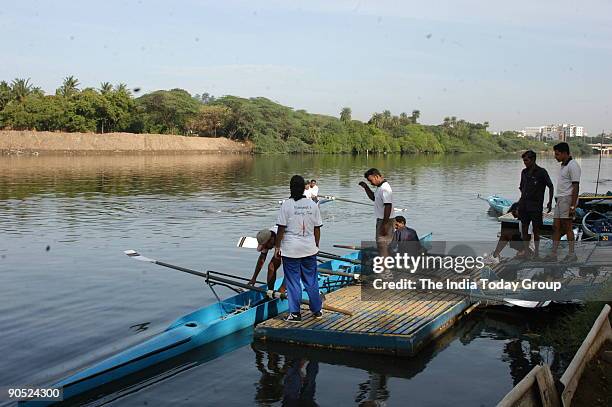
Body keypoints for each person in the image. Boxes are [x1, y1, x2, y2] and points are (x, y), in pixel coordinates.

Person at [275, 175, 323, 323]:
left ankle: (295, 314)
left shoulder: (286, 205)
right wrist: (316, 245)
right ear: (304, 188)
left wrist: (277, 247)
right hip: (309, 248)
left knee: (293, 282)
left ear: (290, 188)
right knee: (311, 281)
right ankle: (317, 311)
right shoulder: (312, 205)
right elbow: (317, 229)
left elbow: (281, 229)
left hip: (291, 250)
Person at [545, 142, 581, 262]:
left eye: (557, 154)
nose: (555, 156)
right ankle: (553, 254)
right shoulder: (563, 165)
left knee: (568, 227)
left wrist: (572, 206)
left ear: (565, 153)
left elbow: (575, 186)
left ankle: (572, 254)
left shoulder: (573, 165)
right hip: (560, 199)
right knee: (556, 227)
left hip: (568, 199)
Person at [517, 150, 554, 259]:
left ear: (533, 160)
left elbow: (550, 186)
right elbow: (521, 187)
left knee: (536, 230)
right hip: (524, 205)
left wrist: (550, 201)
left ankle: (536, 253)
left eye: (526, 160)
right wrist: (521, 202)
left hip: (536, 206)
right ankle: (527, 251)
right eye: (524, 161)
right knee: (524, 228)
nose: (525, 163)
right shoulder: (524, 172)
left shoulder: (541, 172)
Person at [359, 168, 394, 257]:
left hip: (386, 221)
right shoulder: (380, 188)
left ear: (377, 176)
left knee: (382, 246)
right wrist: (366, 187)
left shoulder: (385, 188)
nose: (371, 183)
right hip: (382, 220)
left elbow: (388, 206)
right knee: (382, 246)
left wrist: (385, 225)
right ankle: (386, 267)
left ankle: (385, 269)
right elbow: (374, 198)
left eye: (371, 180)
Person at [248, 226, 283, 292]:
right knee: (271, 267)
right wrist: (254, 278)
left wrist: (282, 288)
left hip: (296, 245)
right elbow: (261, 259)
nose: (265, 248)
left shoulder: (283, 240)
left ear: (272, 239)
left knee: (272, 266)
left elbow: (289, 269)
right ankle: (270, 292)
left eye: (266, 246)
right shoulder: (266, 236)